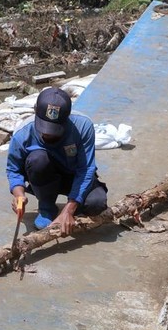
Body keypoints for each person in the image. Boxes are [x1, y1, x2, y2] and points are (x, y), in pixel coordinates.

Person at [6, 87, 108, 235]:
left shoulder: (83, 127)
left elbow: (86, 169)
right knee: (37, 159)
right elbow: (13, 169)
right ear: (35, 111)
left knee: (96, 204)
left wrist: (69, 210)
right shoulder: (22, 134)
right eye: (44, 129)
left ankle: (74, 205)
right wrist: (18, 194)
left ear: (67, 118)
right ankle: (47, 207)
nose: (48, 134)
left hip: (75, 178)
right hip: (44, 177)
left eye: (54, 129)